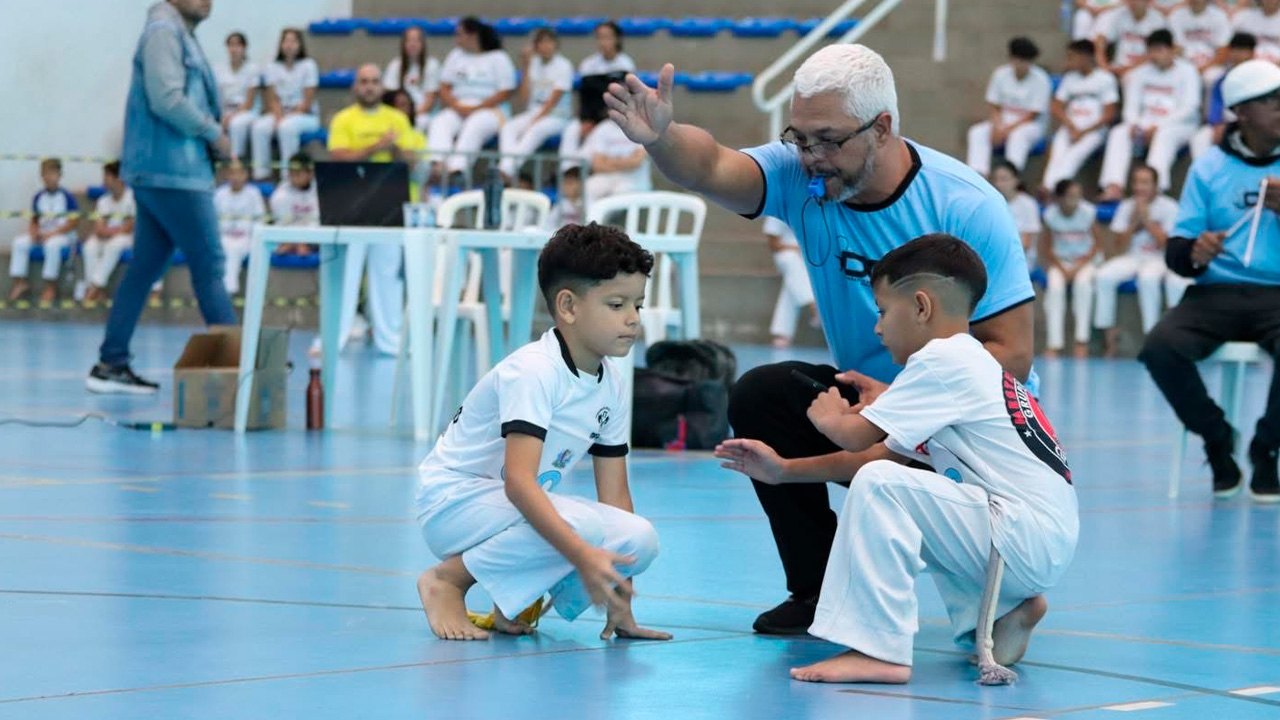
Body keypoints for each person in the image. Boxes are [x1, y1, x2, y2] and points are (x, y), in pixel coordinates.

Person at [605, 43, 1037, 634]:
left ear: (882, 128)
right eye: (799, 138)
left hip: (966, 424)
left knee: (985, 607)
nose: (811, 156)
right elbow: (710, 166)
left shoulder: (966, 207)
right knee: (763, 394)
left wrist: (905, 405)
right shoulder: (800, 175)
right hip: (868, 400)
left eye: (828, 140)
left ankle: (998, 587)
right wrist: (661, 138)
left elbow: (1011, 353)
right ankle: (818, 592)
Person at [737, 234, 1077, 684]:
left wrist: (830, 416)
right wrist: (784, 471)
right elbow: (880, 455)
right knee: (918, 493)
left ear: (921, 306)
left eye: (882, 311)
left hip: (1020, 534)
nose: (877, 328)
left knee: (883, 486)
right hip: (1033, 539)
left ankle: (879, 649)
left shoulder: (942, 360)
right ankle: (1003, 614)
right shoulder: (970, 362)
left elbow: (858, 441)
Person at [415, 222, 672, 643]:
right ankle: (448, 581)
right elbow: (518, 482)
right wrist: (582, 556)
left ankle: (514, 601)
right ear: (568, 306)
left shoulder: (612, 381)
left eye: (638, 305)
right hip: (453, 503)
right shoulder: (533, 370)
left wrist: (619, 594)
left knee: (638, 537)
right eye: (616, 303)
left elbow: (617, 501)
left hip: (505, 509)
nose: (632, 318)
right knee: (582, 531)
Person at [1139, 59, 1280, 502]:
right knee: (1159, 349)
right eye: (1271, 101)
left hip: (1277, 293)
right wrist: (1194, 253)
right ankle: (1218, 439)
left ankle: (1266, 447)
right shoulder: (1208, 168)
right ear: (1241, 112)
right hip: (1214, 292)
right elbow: (1178, 251)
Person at [90, 0, 238, 395]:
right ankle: (241, 369)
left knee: (144, 267)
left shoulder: (179, 34)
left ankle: (111, 362)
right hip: (174, 172)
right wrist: (213, 133)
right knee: (209, 265)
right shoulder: (163, 32)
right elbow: (167, 98)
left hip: (167, 169)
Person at [327, 63, 426, 355]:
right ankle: (336, 335)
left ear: (381, 87)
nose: (369, 86)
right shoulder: (344, 119)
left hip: (389, 201)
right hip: (351, 201)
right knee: (346, 272)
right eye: (364, 81)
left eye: (374, 81)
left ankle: (390, 340)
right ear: (355, 87)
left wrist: (393, 147)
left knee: (386, 275)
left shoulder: (396, 118)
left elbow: (411, 161)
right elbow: (338, 155)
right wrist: (376, 147)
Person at [1094, 164, 1189, 354]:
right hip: (1132, 257)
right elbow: (1118, 246)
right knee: (1103, 275)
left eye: (1145, 182)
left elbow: (1168, 245)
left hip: (1160, 258)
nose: (1139, 187)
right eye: (1136, 182)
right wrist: (1133, 222)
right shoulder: (1126, 206)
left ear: (1156, 185)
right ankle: (1109, 339)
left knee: (1148, 278)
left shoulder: (1169, 206)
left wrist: (1147, 219)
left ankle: (1151, 337)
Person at [1099, 30, 1201, 200]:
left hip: (1180, 125)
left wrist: (1159, 126)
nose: (1155, 55)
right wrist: (1134, 125)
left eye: (1160, 50)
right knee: (1119, 132)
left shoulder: (1188, 71)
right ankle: (1114, 186)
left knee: (1164, 136)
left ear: (1172, 50)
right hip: (1144, 124)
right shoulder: (1138, 73)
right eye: (1151, 50)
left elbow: (1190, 108)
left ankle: (1156, 189)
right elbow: (1130, 107)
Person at [426, 17, 516, 181]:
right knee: (440, 121)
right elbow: (444, 86)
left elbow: (505, 92)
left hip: (491, 110)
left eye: (460, 35)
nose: (456, 39)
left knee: (475, 124)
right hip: (460, 106)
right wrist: (455, 105)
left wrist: (477, 108)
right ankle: (438, 163)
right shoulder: (455, 56)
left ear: (473, 36)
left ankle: (458, 168)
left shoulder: (498, 58)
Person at [1042, 40, 1120, 196]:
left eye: (1073, 57)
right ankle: (1048, 186)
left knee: (1074, 155)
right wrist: (1070, 125)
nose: (1069, 61)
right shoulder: (1070, 78)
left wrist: (1085, 131)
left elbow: (1110, 113)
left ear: (1086, 57)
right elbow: (1056, 106)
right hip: (1071, 126)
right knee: (1057, 152)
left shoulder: (1105, 78)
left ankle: (1052, 189)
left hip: (1095, 130)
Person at [965, 37, 1052, 177]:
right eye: (1021, 60)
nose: (1024, 65)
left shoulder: (1041, 79)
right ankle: (978, 174)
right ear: (1012, 58)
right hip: (1003, 121)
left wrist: (1005, 131)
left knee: (1018, 136)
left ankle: (1010, 176)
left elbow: (1033, 115)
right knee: (977, 132)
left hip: (1030, 125)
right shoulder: (1000, 74)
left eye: (1028, 61)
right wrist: (997, 126)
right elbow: (994, 105)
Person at [498, 27, 574, 183]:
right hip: (534, 111)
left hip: (557, 116)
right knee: (508, 127)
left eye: (549, 42)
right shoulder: (533, 63)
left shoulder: (564, 65)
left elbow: (553, 101)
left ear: (556, 44)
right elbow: (525, 99)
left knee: (536, 130)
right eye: (542, 42)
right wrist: (525, 66)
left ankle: (506, 170)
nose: (546, 46)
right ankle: (508, 169)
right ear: (536, 46)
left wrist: (535, 120)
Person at [81, 161, 162, 305]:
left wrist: (108, 232)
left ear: (118, 179)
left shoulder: (132, 198)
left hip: (128, 238)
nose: (104, 181)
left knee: (115, 245)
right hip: (108, 236)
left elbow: (129, 227)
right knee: (89, 247)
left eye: (107, 177)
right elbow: (98, 227)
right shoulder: (103, 201)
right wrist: (106, 232)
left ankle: (95, 286)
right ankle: (94, 289)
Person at [559, 21, 637, 170]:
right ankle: (565, 173)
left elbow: (622, 98)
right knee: (571, 131)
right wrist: (585, 120)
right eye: (600, 37)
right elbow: (585, 97)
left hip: (611, 118)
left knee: (592, 143)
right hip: (589, 116)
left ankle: (575, 173)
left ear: (617, 39)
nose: (604, 42)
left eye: (608, 37)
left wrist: (597, 120)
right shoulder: (588, 65)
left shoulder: (625, 64)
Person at [1040, 179, 1102, 358]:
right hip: (1061, 262)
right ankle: (1054, 344)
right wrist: (1062, 268)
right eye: (1070, 196)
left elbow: (1097, 245)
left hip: (1086, 261)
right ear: (1059, 198)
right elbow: (1047, 247)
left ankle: (1081, 341)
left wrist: (1078, 267)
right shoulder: (1050, 215)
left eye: (1077, 196)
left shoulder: (1088, 212)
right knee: (1055, 287)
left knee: (1083, 285)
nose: (1075, 200)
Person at [251, 28, 319, 180]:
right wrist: (278, 116)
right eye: (286, 41)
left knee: (286, 128)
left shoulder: (309, 65)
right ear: (281, 44)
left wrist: (286, 118)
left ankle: (287, 175)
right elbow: (272, 98)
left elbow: (307, 102)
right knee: (259, 127)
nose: (289, 45)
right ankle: (261, 173)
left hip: (305, 116)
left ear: (300, 44)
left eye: (293, 41)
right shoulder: (272, 66)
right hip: (280, 113)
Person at [8, 158, 77, 304]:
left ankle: (50, 286)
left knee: (52, 245)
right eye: (45, 174)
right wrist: (34, 234)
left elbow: (73, 222)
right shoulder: (39, 197)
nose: (48, 177)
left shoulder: (67, 197)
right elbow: (34, 220)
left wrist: (52, 234)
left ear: (59, 175)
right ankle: (20, 282)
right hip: (43, 233)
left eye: (52, 173)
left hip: (61, 235)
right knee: (19, 243)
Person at [1191, 32, 1256, 158]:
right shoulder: (1222, 79)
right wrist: (1217, 124)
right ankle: (1203, 176)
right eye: (1235, 50)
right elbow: (1215, 104)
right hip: (1224, 124)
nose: (1239, 55)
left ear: (1252, 53)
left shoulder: (1260, 78)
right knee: (1199, 138)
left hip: (1250, 125)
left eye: (1243, 50)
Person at [763, 216, 817, 349]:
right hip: (786, 254)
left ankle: (782, 334)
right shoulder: (776, 210)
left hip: (809, 257)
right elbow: (773, 244)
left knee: (791, 284)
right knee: (791, 263)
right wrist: (795, 248)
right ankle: (815, 307)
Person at [213, 160, 265, 295]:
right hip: (224, 237)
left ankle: (229, 291)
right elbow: (213, 221)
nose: (235, 177)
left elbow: (260, 220)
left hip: (247, 238)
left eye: (239, 173)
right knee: (226, 247)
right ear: (226, 175)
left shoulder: (254, 194)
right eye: (232, 173)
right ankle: (226, 290)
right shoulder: (219, 194)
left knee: (238, 248)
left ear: (246, 174)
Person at [383, 25, 440, 132]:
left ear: (423, 44)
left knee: (422, 123)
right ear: (403, 44)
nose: (413, 44)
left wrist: (412, 115)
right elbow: (389, 98)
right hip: (398, 113)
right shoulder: (395, 65)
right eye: (409, 41)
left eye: (416, 41)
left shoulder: (432, 65)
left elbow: (430, 100)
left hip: (423, 115)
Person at [215, 31, 260, 161]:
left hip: (246, 111)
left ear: (244, 48)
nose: (234, 49)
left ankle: (236, 160)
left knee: (236, 124)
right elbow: (218, 97)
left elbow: (249, 102)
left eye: (237, 45)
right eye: (230, 45)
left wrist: (230, 116)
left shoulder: (252, 68)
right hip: (225, 110)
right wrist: (222, 115)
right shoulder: (219, 69)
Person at [1095, 0, 1169, 78]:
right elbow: (1101, 40)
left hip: (1146, 68)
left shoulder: (1158, 20)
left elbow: (1157, 52)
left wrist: (1127, 69)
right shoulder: (1118, 15)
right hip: (1118, 65)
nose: (1133, 2)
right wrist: (1104, 67)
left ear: (1147, 1)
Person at [990, 160, 1042, 270]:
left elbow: (1026, 243)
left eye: (1004, 179)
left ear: (1016, 180)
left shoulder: (1028, 204)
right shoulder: (990, 204)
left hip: (1021, 260)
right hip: (994, 258)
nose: (998, 184)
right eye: (996, 179)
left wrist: (1003, 257)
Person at [268, 151, 319, 256]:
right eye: (291, 173)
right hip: (288, 237)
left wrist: (304, 240)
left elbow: (318, 220)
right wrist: (293, 239)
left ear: (310, 174)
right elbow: (282, 222)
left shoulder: (320, 191)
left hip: (311, 237)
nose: (293, 178)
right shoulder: (280, 194)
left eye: (298, 174)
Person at [1169, 0, 1232, 77]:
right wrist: (1189, 68)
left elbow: (1223, 50)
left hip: (1211, 63)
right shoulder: (1176, 16)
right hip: (1185, 62)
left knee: (1213, 76)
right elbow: (1176, 48)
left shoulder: (1220, 16)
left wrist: (1204, 68)